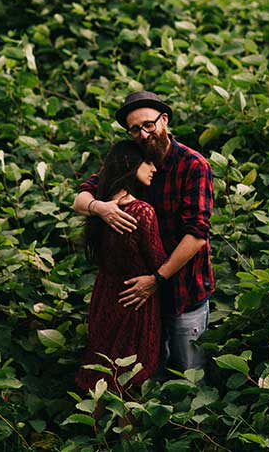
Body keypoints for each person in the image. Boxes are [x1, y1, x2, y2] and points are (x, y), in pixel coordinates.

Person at [73, 91, 214, 374]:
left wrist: (157, 279)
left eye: (148, 124)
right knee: (149, 370)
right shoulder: (132, 159)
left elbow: (197, 234)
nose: (143, 133)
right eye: (135, 129)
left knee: (188, 370)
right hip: (143, 296)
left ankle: (190, 419)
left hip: (182, 289)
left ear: (163, 120)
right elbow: (81, 198)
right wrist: (101, 207)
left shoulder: (193, 165)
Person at [74, 141, 166, 392]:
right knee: (130, 379)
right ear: (130, 165)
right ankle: (126, 432)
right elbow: (157, 260)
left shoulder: (101, 210)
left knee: (102, 373)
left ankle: (96, 428)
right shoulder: (142, 211)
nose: (154, 169)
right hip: (135, 300)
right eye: (148, 162)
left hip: (105, 295)